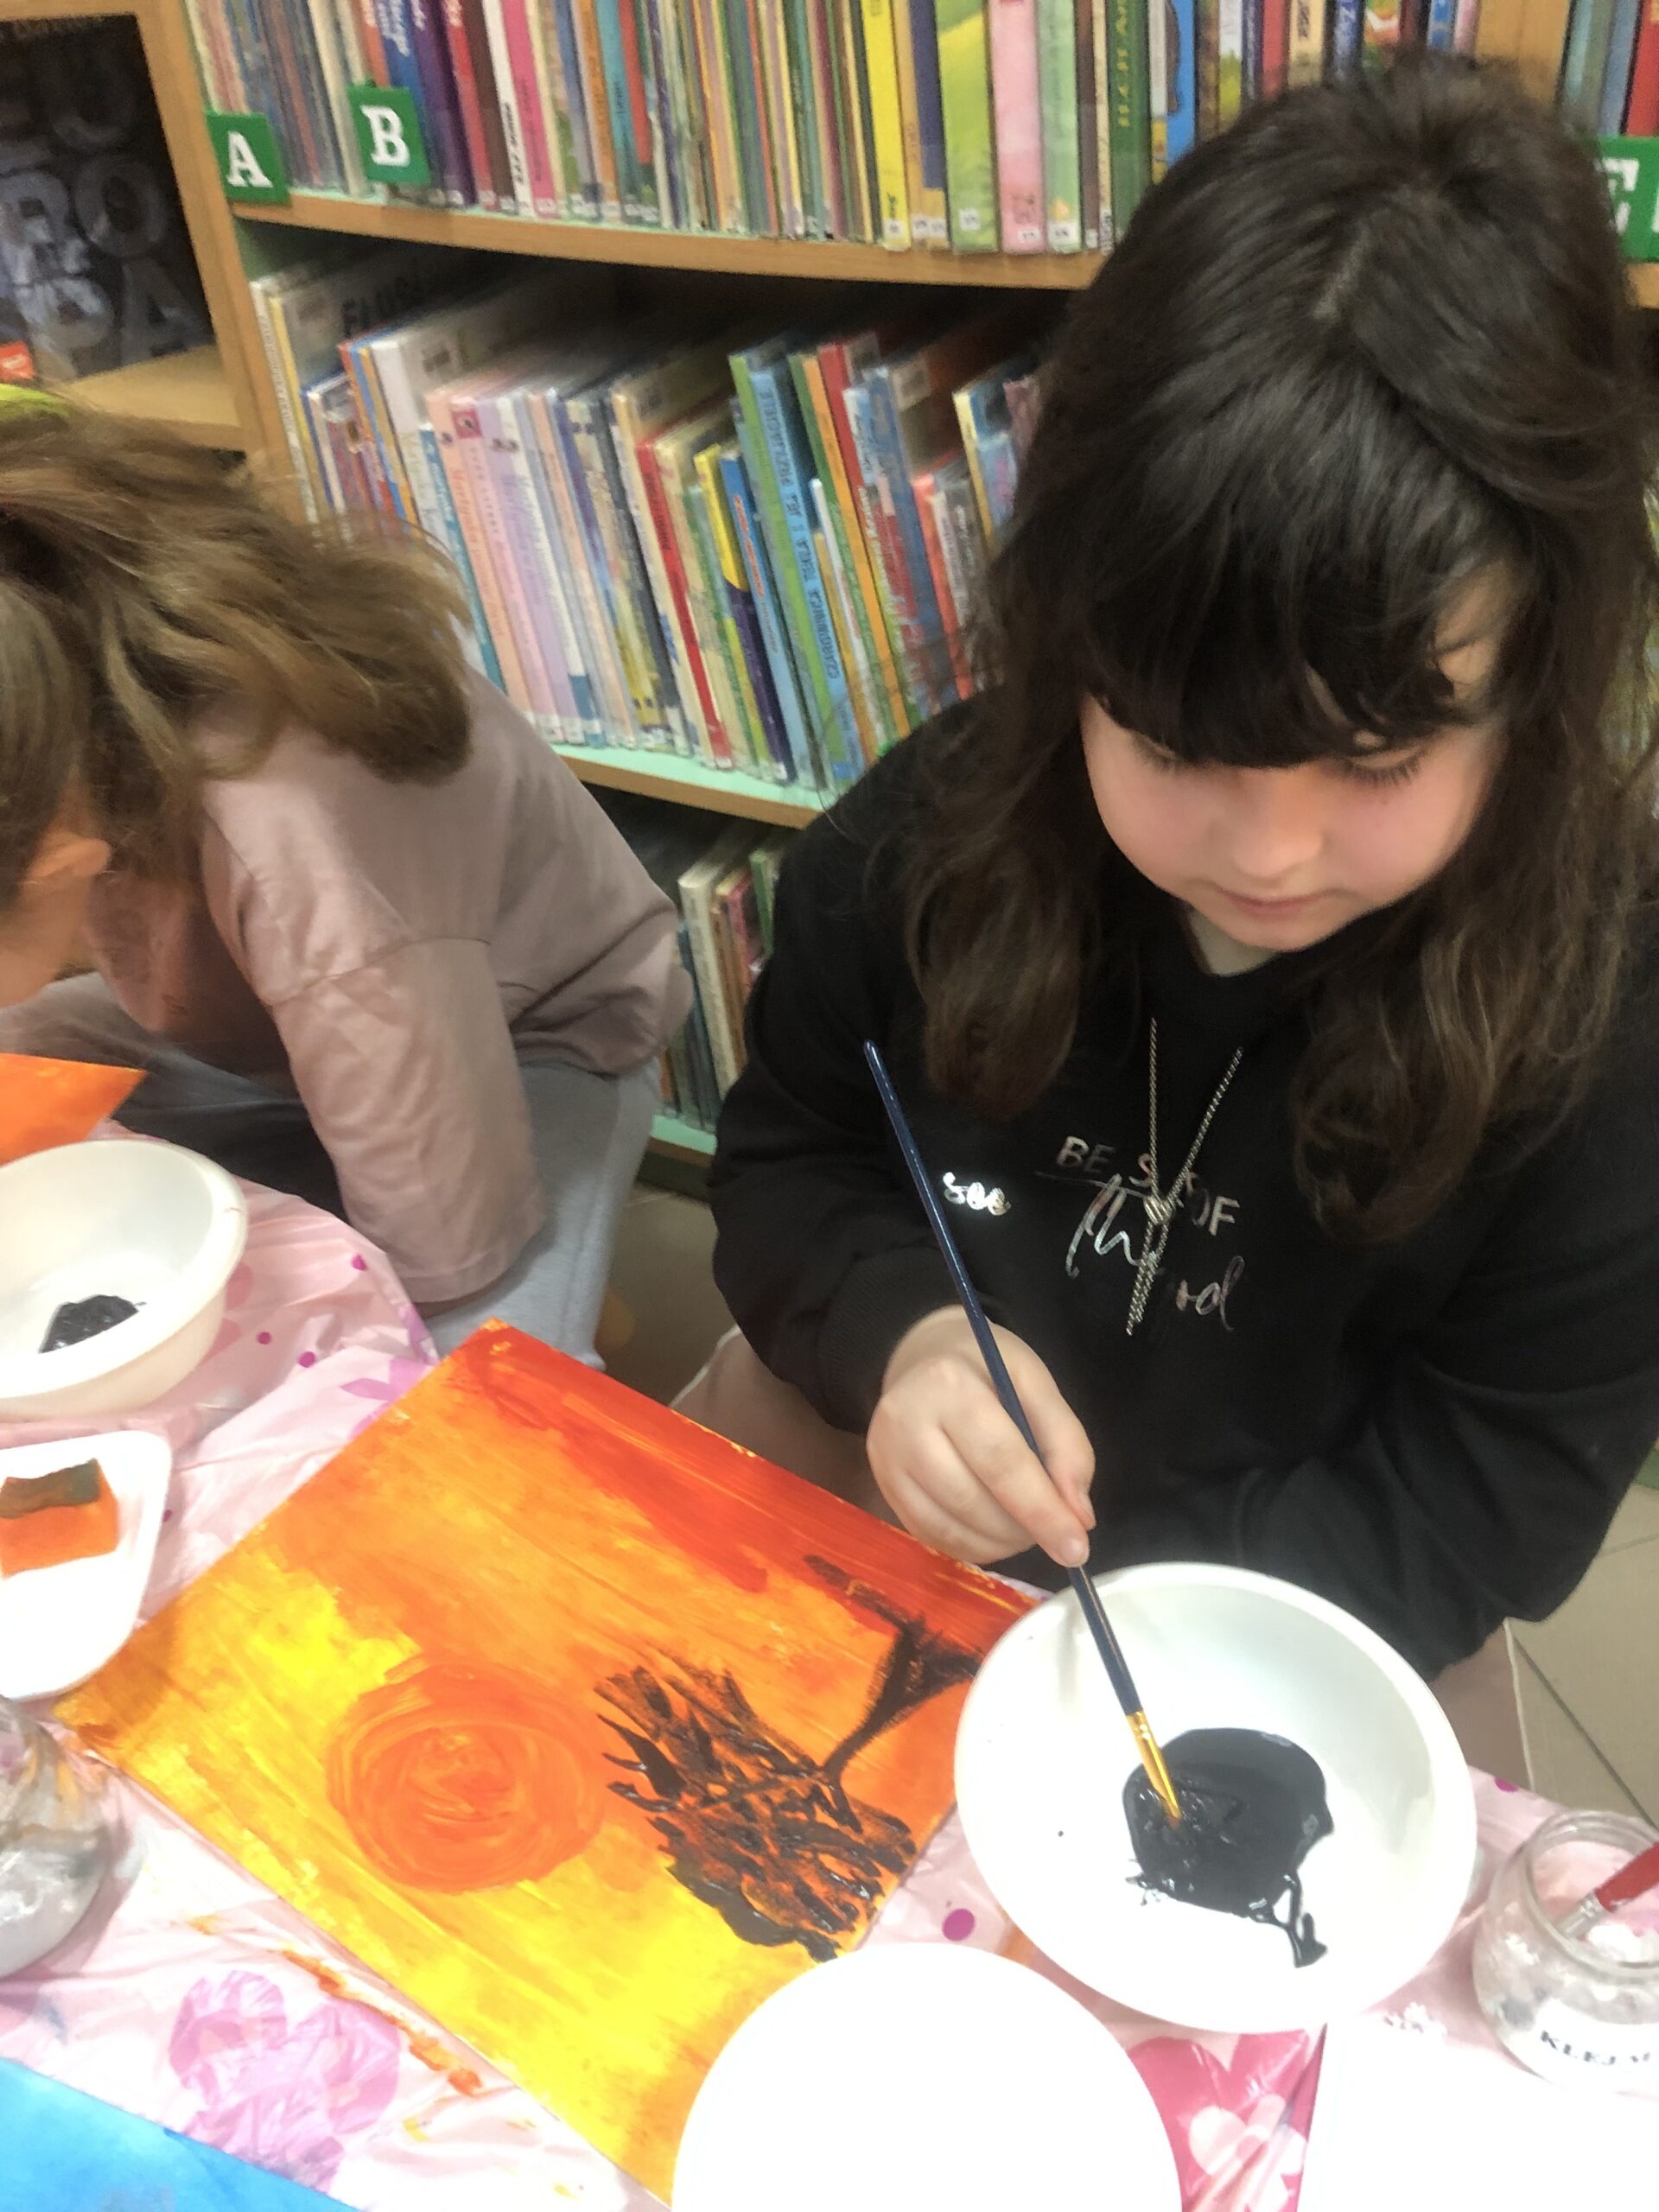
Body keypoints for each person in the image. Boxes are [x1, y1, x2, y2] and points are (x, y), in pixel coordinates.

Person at [688, 57, 1659, 1685]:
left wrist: (1140, 1629)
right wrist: (905, 1333)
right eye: (1173, 741)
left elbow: (1485, 1492)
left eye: (1377, 761)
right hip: (890, 1529)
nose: (1268, 853)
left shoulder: (1609, 1038)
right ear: (1071, 644)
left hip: (1292, 1634)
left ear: (1538, 685)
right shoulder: (921, 848)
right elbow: (792, 1162)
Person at [0, 392, 689, 1360]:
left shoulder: (291, 838)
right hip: (293, 1014)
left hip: (534, 1040)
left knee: (466, 1393)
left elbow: (447, 1244)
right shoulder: (70, 674)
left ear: (56, 862)